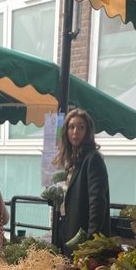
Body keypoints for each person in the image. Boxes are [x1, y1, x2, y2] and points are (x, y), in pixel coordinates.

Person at [53, 109, 110, 255]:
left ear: (88, 131)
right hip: (68, 231)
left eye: (81, 127)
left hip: (84, 240)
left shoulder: (93, 159)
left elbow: (97, 203)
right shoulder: (73, 160)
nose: (75, 131)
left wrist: (91, 241)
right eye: (71, 127)